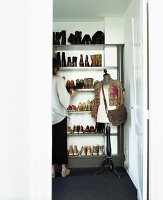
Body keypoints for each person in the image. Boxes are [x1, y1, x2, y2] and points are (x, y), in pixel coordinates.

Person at [51, 58, 77, 178]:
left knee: (49, 143)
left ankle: (51, 170)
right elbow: (64, 101)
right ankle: (63, 169)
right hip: (59, 116)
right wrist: (71, 94)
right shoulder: (59, 80)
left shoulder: (40, 79)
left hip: (46, 117)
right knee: (60, 142)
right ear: (56, 67)